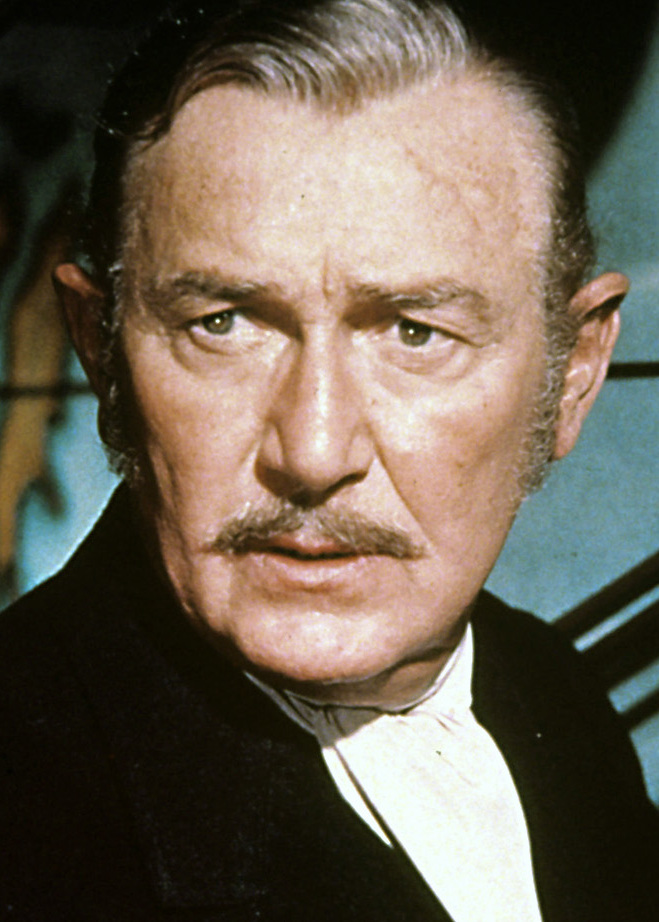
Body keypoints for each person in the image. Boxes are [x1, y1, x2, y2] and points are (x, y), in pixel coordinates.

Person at [2, 1, 658, 919]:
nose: (312, 453)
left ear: (573, 375)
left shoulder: (550, 689)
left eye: (414, 332)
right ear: (99, 350)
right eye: (223, 324)